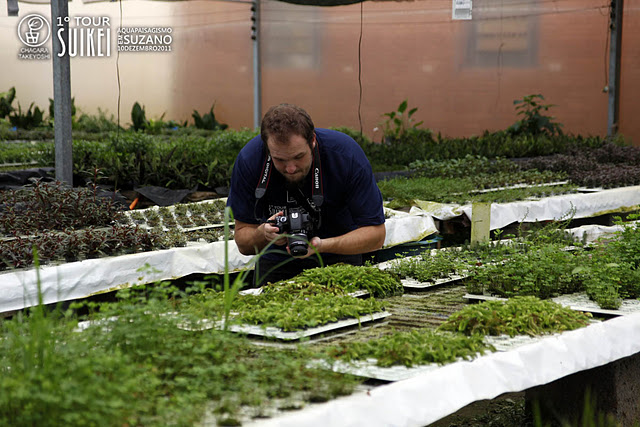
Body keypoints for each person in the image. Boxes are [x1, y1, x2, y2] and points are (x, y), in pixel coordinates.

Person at [227, 103, 386, 286]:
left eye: (298, 156)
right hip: (277, 258)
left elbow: (376, 235)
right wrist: (263, 234)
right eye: (279, 159)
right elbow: (243, 241)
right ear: (267, 148)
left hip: (339, 255)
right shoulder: (250, 159)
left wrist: (323, 245)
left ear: (313, 141)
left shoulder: (344, 155)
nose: (290, 168)